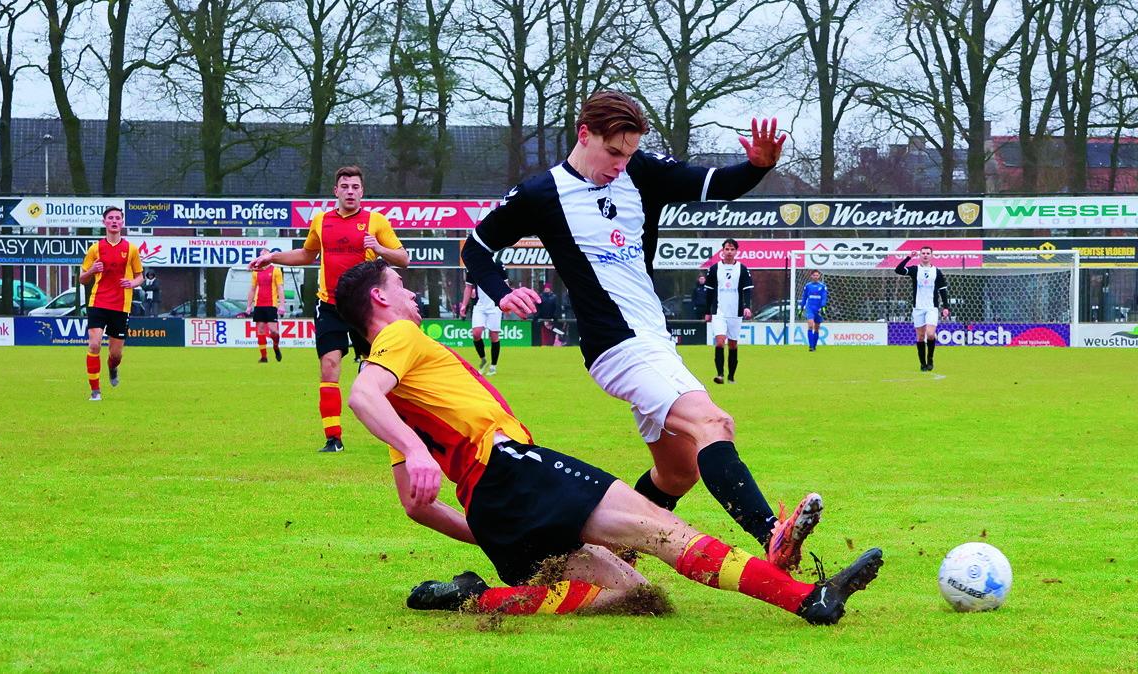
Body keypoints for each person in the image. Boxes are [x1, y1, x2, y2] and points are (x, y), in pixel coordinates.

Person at [335, 259, 883, 622]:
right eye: (401, 285)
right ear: (380, 300)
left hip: (493, 508)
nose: (410, 293)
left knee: (635, 595)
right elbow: (360, 396)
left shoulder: (396, 398)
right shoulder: (398, 339)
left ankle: (479, 596)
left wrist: (487, 534)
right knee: (668, 533)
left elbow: (415, 506)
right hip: (513, 470)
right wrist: (413, 449)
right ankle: (812, 600)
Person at [461, 90, 821, 573]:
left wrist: (756, 166)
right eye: (613, 153)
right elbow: (477, 246)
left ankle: (605, 561)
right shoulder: (541, 193)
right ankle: (771, 536)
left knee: (678, 471)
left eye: (628, 154)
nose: (620, 165)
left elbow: (718, 185)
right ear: (583, 134)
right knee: (713, 425)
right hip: (615, 344)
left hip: (653, 340)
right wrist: (501, 290)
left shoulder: (642, 174)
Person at [249, 166, 409, 452]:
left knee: (384, 368)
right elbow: (307, 254)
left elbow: (403, 259)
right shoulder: (321, 221)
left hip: (366, 308)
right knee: (329, 366)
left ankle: (405, 429)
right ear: (336, 191)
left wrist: (381, 249)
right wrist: (273, 257)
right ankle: (333, 438)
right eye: (344, 186)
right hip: (330, 305)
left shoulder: (376, 221)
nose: (350, 191)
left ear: (362, 191)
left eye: (355, 187)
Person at [80, 206, 144, 401]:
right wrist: (92, 270)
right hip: (98, 302)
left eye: (118, 218)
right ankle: (95, 391)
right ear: (104, 222)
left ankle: (112, 367)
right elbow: (83, 278)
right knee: (94, 344)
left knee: (116, 354)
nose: (115, 221)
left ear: (122, 223)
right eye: (111, 218)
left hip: (120, 306)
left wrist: (132, 283)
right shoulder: (95, 248)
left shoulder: (131, 249)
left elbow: (140, 276)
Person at [704, 239, 752, 384]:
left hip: (735, 312)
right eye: (727, 249)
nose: (729, 252)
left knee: (733, 344)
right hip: (719, 312)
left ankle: (731, 377)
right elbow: (709, 291)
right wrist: (707, 311)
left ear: (736, 251)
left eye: (732, 249)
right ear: (722, 251)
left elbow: (747, 289)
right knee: (720, 341)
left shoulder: (742, 269)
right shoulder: (714, 269)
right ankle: (720, 375)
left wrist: (747, 306)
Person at [894, 246, 950, 372]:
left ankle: (930, 358)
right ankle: (922, 363)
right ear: (920, 255)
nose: (925, 255)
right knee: (920, 337)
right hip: (918, 308)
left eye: (927, 253)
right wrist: (909, 257)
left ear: (931, 255)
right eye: (923, 253)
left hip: (931, 308)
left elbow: (942, 290)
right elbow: (898, 270)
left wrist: (946, 307)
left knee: (930, 334)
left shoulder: (937, 271)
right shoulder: (915, 270)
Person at [459, 260, 507, 375]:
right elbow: (468, 287)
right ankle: (483, 359)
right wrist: (464, 305)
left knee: (494, 335)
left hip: (495, 305)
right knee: (476, 333)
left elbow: (506, 284)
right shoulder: (473, 264)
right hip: (480, 306)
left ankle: (493, 366)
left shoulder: (498, 263)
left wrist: (507, 304)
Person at [247, 248, 285, 363]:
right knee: (261, 330)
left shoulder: (276, 271)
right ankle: (264, 357)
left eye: (265, 254)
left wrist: (281, 305)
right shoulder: (256, 272)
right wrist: (249, 305)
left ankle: (276, 346)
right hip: (259, 304)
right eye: (261, 255)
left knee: (274, 331)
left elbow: (280, 288)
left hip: (271, 304)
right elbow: (253, 289)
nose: (262, 256)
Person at [798, 270, 828, 352]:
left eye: (817, 275)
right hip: (810, 308)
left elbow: (824, 298)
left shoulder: (822, 286)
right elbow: (804, 297)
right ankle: (811, 346)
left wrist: (823, 307)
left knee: (817, 328)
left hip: (818, 309)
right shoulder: (807, 286)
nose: (815, 276)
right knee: (810, 325)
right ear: (811, 276)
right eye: (814, 275)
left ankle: (814, 345)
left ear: (819, 276)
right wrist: (801, 308)